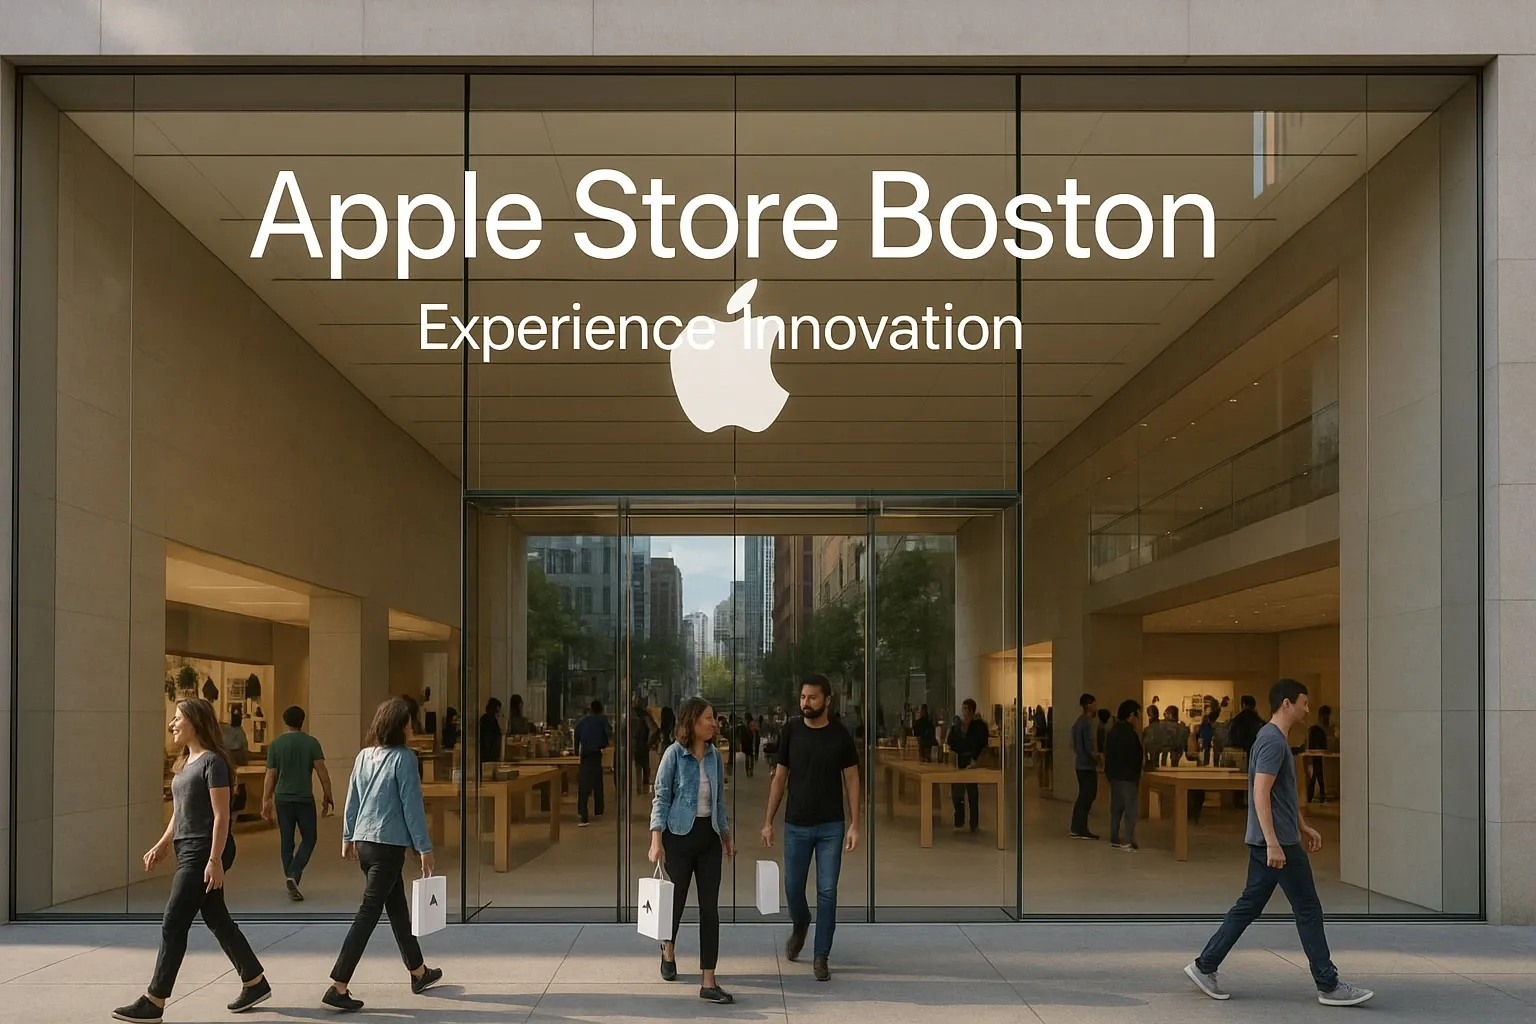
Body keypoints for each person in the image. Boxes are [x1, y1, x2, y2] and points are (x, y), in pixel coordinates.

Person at [1185, 680, 1374, 1008]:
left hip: (1278, 840)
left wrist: (1302, 825)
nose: (1307, 708)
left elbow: (1279, 795)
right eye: (1304, 702)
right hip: (1278, 846)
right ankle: (1328, 985)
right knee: (1308, 909)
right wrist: (1274, 842)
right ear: (1287, 703)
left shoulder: (1272, 738)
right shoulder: (1272, 740)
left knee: (1250, 907)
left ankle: (1205, 965)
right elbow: (1260, 793)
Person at [113, 699, 269, 1023]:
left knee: (173, 921)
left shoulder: (214, 763)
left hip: (205, 851)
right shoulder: (185, 763)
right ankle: (254, 980)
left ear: (194, 722)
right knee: (216, 917)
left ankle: (154, 1001)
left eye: (177, 718)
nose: (172, 724)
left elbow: (221, 815)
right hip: (190, 849)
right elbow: (179, 813)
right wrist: (162, 844)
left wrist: (214, 859)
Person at [326, 698, 443, 1012]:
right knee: (369, 913)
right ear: (400, 726)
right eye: (409, 723)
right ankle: (339, 984)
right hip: (387, 846)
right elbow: (412, 806)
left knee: (397, 909)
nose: (412, 728)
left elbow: (352, 796)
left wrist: (347, 836)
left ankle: (418, 972)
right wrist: (424, 848)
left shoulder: (365, 756)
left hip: (365, 842)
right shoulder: (404, 759)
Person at [762, 674, 861, 983]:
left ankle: (821, 955)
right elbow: (779, 778)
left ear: (827, 700)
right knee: (792, 888)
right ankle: (801, 922)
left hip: (831, 825)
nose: (806, 703)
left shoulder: (840, 736)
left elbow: (853, 780)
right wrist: (768, 821)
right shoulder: (790, 731)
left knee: (827, 891)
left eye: (812, 698)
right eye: (803, 697)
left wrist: (856, 824)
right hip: (796, 825)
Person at [649, 696, 736, 1005]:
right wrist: (656, 840)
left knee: (710, 910)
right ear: (692, 722)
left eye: (714, 718)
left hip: (709, 837)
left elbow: (720, 801)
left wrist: (726, 835)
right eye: (709, 718)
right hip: (679, 837)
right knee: (676, 903)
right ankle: (668, 947)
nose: (714, 723)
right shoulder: (674, 755)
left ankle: (708, 980)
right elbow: (661, 797)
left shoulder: (715, 757)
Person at [260, 705, 335, 902]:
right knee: (309, 838)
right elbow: (322, 772)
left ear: (285, 721)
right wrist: (328, 795)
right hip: (303, 799)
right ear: (303, 720)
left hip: (282, 798)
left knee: (287, 841)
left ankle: (290, 877)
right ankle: (294, 874)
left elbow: (270, 775)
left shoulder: (276, 745)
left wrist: (265, 799)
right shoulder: (311, 743)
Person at [1104, 699, 1143, 851]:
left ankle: (1114, 838)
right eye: (1137, 715)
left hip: (1115, 776)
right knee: (1130, 810)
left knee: (1116, 809)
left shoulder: (1113, 731)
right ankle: (1128, 840)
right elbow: (1135, 756)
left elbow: (1109, 753)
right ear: (1131, 715)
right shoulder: (1130, 733)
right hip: (1128, 777)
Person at [948, 698, 990, 834]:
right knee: (957, 792)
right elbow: (951, 742)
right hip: (959, 761)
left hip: (971, 761)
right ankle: (959, 819)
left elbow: (981, 744)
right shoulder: (957, 727)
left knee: (972, 792)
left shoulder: (979, 727)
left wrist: (975, 759)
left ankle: (974, 822)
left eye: (967, 709)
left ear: (972, 711)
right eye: (963, 709)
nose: (965, 712)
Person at [575, 699, 611, 826]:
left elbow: (576, 737)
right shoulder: (602, 721)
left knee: (584, 784)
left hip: (585, 754)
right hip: (596, 753)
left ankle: (583, 812)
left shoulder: (582, 722)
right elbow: (607, 736)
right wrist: (603, 744)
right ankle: (598, 809)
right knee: (597, 781)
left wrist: (575, 752)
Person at [1069, 693, 1100, 840]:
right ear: (1088, 705)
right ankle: (1079, 828)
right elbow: (1089, 746)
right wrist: (1097, 757)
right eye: (1094, 703)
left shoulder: (1078, 723)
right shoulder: (1086, 723)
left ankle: (1078, 827)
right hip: (1086, 765)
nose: (1096, 706)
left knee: (1084, 795)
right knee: (1087, 795)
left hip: (1080, 763)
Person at [631, 698, 657, 794]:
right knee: (644, 765)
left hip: (639, 742)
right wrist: (649, 741)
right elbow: (654, 729)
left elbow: (653, 729)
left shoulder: (639, 716)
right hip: (641, 743)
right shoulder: (644, 715)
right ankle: (643, 787)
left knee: (639, 765)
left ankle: (640, 788)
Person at [1307, 705, 1333, 803]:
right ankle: (1316, 796)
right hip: (1315, 757)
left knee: (1317, 776)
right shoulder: (1316, 730)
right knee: (1315, 776)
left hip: (1318, 758)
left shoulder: (1316, 730)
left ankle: (1317, 796)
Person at [479, 697, 503, 764]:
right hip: (489, 758)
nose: (498, 714)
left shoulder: (486, 720)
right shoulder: (489, 721)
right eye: (497, 711)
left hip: (488, 757)